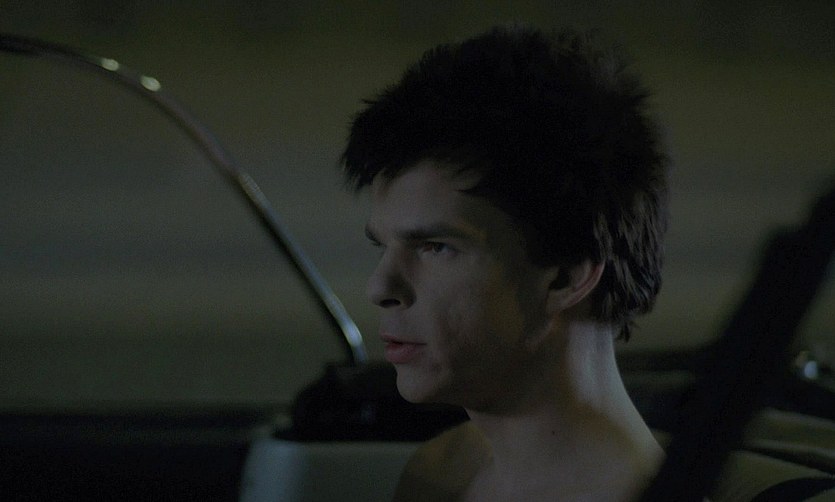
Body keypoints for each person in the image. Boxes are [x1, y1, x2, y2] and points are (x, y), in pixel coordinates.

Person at [342, 25, 669, 501]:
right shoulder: (442, 472)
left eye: (435, 248)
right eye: (382, 247)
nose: (380, 287)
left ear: (566, 275)